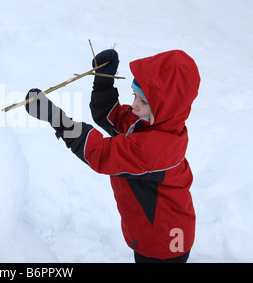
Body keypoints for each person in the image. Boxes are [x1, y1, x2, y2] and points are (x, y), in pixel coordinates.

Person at [25, 49, 200, 263]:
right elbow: (111, 116)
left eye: (143, 102)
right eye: (134, 95)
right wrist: (104, 81)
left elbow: (100, 153)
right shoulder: (149, 123)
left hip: (164, 242)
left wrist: (58, 120)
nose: (134, 105)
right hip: (156, 233)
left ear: (166, 107)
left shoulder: (156, 148)